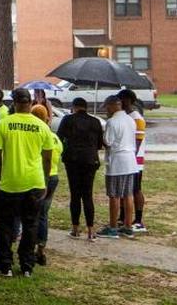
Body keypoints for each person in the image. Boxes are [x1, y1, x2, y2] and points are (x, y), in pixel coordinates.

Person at [0, 88, 54, 278]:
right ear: (31, 102)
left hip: (10, 182)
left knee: (6, 224)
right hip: (34, 182)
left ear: (14, 102)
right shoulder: (42, 126)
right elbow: (48, 158)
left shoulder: (4, 124)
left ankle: (5, 264)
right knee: (30, 225)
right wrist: (45, 181)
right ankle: (27, 265)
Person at [56, 96, 103, 242]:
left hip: (73, 160)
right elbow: (100, 144)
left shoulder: (67, 120)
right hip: (90, 160)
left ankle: (75, 229)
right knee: (87, 195)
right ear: (86, 107)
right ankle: (91, 230)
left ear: (74, 107)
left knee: (75, 194)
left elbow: (59, 138)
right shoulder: (95, 122)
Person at [100, 95, 138, 239]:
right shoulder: (130, 120)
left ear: (112, 105)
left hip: (117, 162)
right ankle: (128, 226)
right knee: (128, 195)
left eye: (107, 107)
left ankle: (113, 227)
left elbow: (108, 142)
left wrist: (102, 137)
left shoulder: (111, 122)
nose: (107, 110)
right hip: (130, 161)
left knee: (114, 195)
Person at [30, 105, 63, 266]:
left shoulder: (37, 134)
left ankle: (32, 246)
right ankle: (41, 247)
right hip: (54, 177)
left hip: (41, 177)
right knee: (44, 214)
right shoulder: (54, 137)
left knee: (33, 214)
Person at [119, 89, 148, 232]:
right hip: (127, 160)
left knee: (135, 189)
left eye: (122, 100)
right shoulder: (126, 116)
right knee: (125, 190)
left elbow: (138, 141)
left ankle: (139, 219)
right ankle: (123, 217)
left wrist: (131, 158)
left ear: (129, 100)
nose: (120, 103)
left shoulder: (137, 118)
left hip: (135, 161)